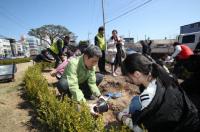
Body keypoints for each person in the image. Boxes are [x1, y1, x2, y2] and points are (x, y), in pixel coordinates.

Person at [118, 53, 199, 132]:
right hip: (191, 117)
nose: (127, 80)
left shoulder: (148, 97)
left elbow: (142, 129)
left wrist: (122, 117)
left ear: (137, 74)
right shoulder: (161, 76)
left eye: (127, 76)